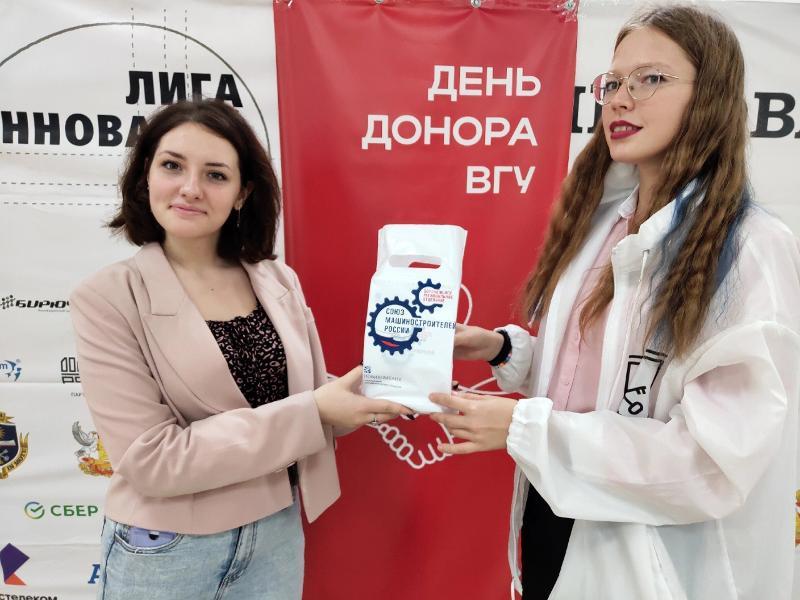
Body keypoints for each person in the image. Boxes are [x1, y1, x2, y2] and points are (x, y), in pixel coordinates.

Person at [428, 6, 800, 600]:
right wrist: (503, 350)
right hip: (554, 523)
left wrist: (528, 428)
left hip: (650, 562)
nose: (620, 99)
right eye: (615, 81)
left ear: (709, 97)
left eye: (651, 79)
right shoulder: (607, 226)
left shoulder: (748, 248)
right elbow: (598, 376)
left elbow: (711, 462)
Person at [70, 99, 411, 600]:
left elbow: (312, 400)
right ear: (145, 176)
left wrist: (385, 385)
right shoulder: (107, 297)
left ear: (242, 193)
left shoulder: (277, 279)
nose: (190, 188)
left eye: (215, 175)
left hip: (276, 533)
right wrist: (316, 410)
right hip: (167, 546)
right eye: (172, 166)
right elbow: (151, 459)